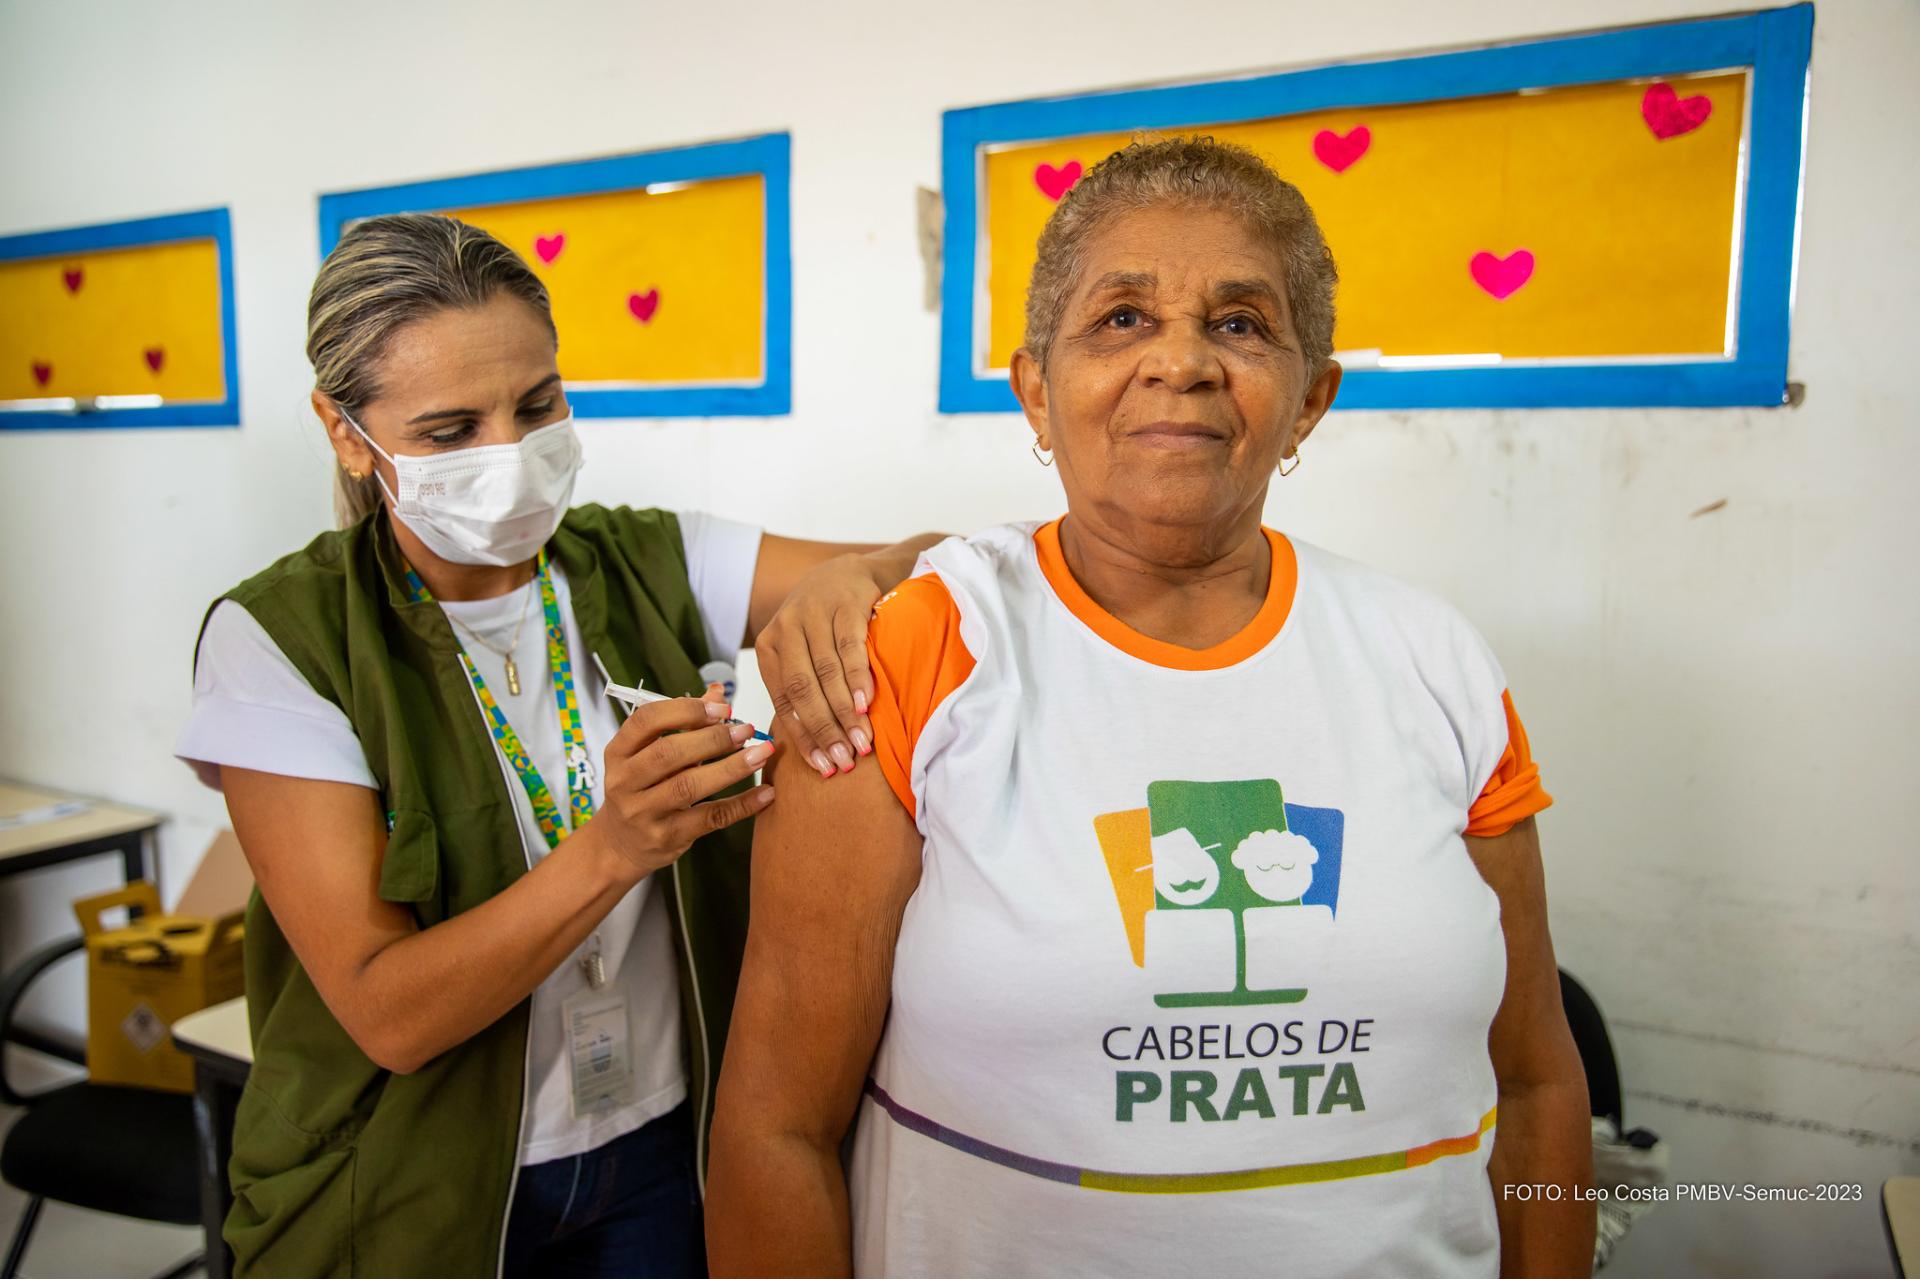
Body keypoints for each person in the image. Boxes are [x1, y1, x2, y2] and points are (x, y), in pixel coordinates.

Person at [707, 138, 1596, 1277]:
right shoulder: (903, 654)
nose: (1180, 361)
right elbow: (777, 1132)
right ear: (1035, 385)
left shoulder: (1432, 658)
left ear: (1312, 398)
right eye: (1121, 318)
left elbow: (1533, 1079)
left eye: (1240, 322)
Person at [174, 213, 939, 1277]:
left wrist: (852, 581)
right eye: (450, 431)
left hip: (660, 1153)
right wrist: (616, 846)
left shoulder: (641, 559)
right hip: (415, 1185)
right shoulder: (280, 642)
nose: (511, 456)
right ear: (346, 431)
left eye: (537, 407)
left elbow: (935, 564)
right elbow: (388, 1013)